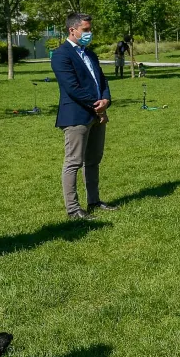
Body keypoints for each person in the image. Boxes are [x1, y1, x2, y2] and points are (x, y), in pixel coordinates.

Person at [51, 13, 117, 221]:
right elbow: (72, 87)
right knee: (73, 162)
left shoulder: (90, 54)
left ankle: (94, 200)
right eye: (86, 30)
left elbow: (102, 81)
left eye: (90, 29)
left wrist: (105, 100)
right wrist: (95, 105)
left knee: (93, 160)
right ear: (73, 30)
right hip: (76, 115)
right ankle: (73, 209)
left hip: (97, 113)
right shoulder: (61, 55)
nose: (90, 33)